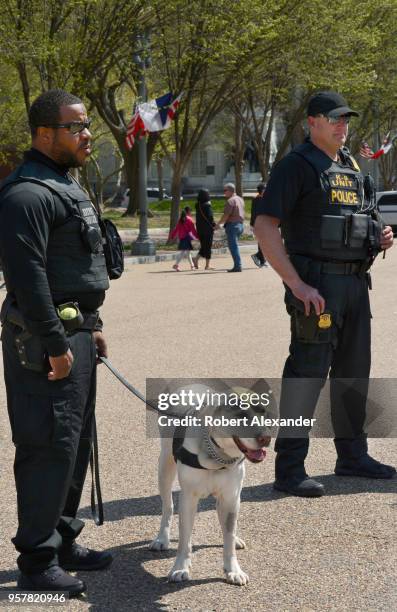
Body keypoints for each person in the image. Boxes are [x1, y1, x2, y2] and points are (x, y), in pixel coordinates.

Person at [254, 90, 396, 497]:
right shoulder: (295, 166)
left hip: (354, 284)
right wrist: (296, 284)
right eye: (334, 118)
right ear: (311, 122)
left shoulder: (349, 165)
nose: (342, 125)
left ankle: (352, 455)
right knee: (306, 375)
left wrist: (380, 234)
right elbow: (265, 227)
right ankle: (290, 467)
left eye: (345, 119)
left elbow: (359, 219)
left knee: (353, 374)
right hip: (316, 287)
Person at [0, 89, 113, 596]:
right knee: (47, 445)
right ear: (45, 133)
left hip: (76, 331)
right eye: (76, 127)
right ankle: (37, 566)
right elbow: (28, 280)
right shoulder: (27, 193)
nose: (87, 135)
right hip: (45, 342)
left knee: (73, 443)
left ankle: (63, 538)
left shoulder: (63, 185)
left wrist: (93, 326)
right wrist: (54, 343)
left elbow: (74, 270)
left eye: (87, 125)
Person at [215, 183, 245, 272]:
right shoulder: (240, 199)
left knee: (233, 246)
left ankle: (238, 265)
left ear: (231, 191)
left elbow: (226, 215)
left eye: (225, 190)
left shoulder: (230, 201)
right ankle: (237, 265)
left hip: (233, 225)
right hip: (240, 225)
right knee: (234, 246)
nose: (224, 193)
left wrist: (218, 224)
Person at [192, 188, 216, 270]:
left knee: (204, 246)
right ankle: (207, 265)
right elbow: (210, 217)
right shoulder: (207, 206)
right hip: (207, 229)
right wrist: (214, 225)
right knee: (208, 247)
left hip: (200, 229)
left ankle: (196, 259)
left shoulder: (198, 205)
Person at [170, 206, 199, 271]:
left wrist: (172, 236)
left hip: (182, 238)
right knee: (183, 252)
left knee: (188, 252)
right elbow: (193, 230)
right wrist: (197, 237)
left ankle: (192, 266)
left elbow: (176, 229)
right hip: (187, 237)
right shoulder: (190, 220)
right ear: (188, 212)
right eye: (190, 211)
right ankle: (176, 265)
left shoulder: (180, 220)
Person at [250, 182, 268, 268]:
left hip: (264, 224)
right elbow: (254, 213)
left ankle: (262, 260)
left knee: (263, 242)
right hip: (261, 224)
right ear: (262, 190)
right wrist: (252, 225)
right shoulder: (259, 200)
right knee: (263, 242)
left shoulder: (262, 199)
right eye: (266, 189)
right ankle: (258, 257)